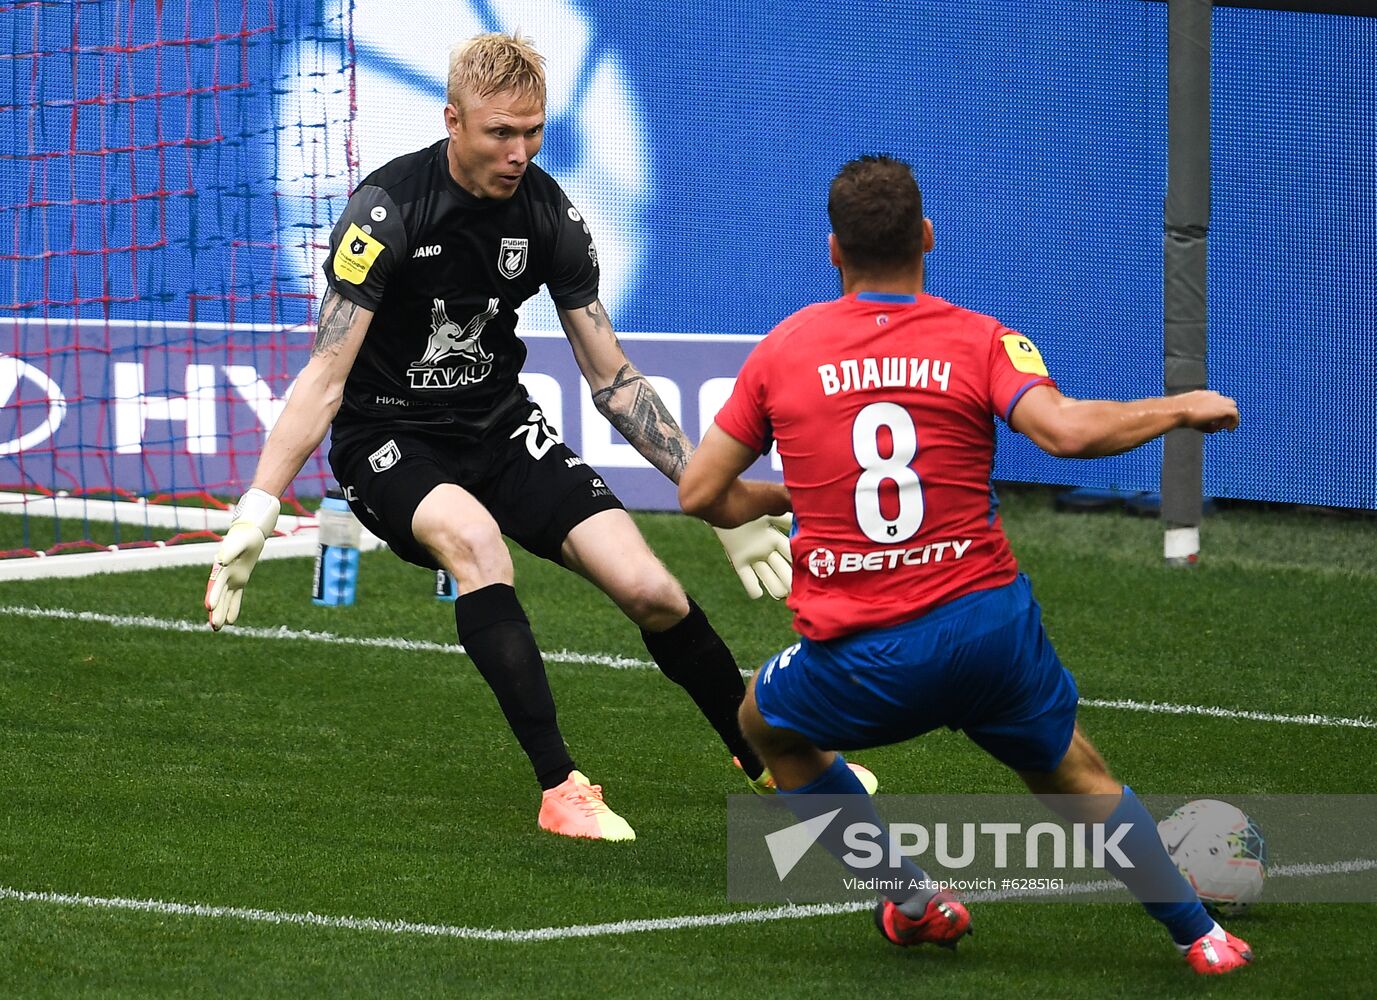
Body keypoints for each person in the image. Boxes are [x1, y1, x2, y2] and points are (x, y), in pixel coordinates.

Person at [203, 31, 806, 843]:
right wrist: (259, 502)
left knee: (651, 590)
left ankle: (765, 761)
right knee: (475, 542)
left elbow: (613, 379)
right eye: (499, 133)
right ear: (453, 121)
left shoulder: (550, 213)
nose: (518, 151)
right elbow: (324, 377)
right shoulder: (386, 213)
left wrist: (716, 497)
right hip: (389, 441)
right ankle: (560, 786)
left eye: (533, 132)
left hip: (498, 427)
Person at [679, 154, 1252, 975]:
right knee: (1073, 772)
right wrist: (1180, 407)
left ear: (832, 251)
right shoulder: (983, 339)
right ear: (926, 237)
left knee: (764, 726)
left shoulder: (783, 352)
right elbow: (1066, 432)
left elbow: (701, 493)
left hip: (859, 657)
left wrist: (777, 497)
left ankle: (913, 903)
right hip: (986, 630)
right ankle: (1201, 937)